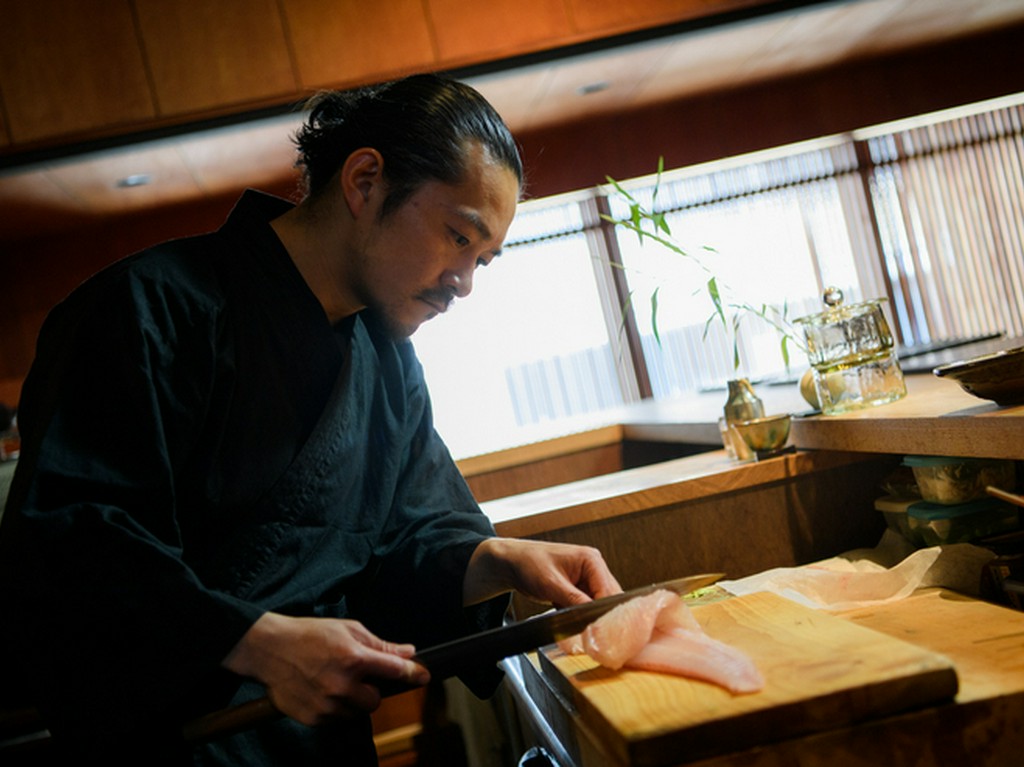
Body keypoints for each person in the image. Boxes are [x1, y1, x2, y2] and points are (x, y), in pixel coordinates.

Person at [0, 73, 621, 764]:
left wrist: (498, 559)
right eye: (456, 236)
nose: (464, 281)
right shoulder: (145, 313)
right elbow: (70, 545)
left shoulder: (388, 366)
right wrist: (256, 642)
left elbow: (407, 542)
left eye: (482, 258)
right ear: (364, 183)